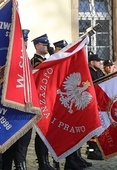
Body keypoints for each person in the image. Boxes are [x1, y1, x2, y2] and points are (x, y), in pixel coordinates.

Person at [52, 40, 92, 170]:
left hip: (67, 105)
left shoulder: (67, 65)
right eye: (62, 49)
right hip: (57, 104)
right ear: (56, 49)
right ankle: (55, 161)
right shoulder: (53, 62)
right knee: (58, 134)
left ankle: (73, 158)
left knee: (72, 129)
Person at [2, 29, 32, 170]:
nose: (24, 43)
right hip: (8, 109)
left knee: (22, 144)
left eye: (25, 40)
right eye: (22, 40)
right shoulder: (6, 58)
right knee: (6, 145)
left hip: (25, 108)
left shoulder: (27, 60)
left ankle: (21, 165)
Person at [31, 34, 54, 170]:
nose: (47, 47)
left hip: (46, 100)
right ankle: (42, 162)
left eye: (47, 45)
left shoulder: (44, 59)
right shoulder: (36, 61)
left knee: (46, 132)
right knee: (41, 132)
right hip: (40, 101)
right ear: (37, 46)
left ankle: (45, 161)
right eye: (44, 45)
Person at [86, 51, 105, 160]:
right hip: (92, 102)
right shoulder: (88, 72)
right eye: (98, 61)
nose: (100, 62)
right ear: (91, 62)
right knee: (92, 128)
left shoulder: (98, 71)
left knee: (98, 126)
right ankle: (91, 150)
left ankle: (97, 149)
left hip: (100, 102)